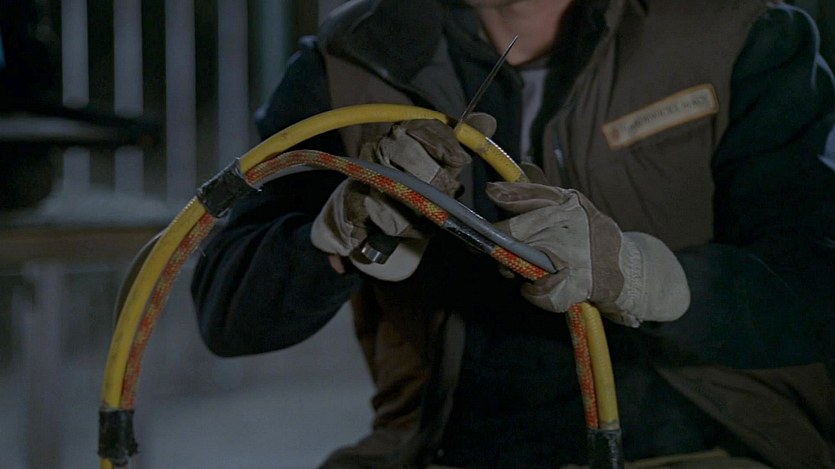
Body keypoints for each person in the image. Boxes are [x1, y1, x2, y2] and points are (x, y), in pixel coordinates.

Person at [191, 0, 835, 467]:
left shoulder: (734, 34)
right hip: (443, 448)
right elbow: (229, 313)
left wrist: (641, 277)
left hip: (704, 442)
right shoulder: (356, 58)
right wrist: (344, 234)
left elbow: (812, 285)